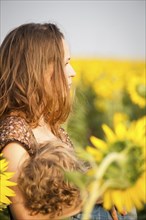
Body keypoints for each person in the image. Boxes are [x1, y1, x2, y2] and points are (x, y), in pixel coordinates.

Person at [0, 22, 137, 220]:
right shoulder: (14, 134)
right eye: (65, 63)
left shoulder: (51, 127)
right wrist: (93, 196)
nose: (72, 71)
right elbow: (26, 216)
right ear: (36, 70)